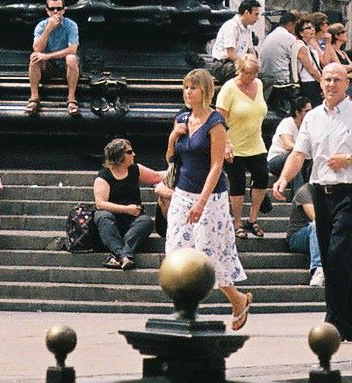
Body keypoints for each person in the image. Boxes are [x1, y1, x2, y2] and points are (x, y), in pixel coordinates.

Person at [271, 62, 352, 341]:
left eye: (337, 79)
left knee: (336, 255)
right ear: (320, 83)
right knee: (330, 256)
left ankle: (334, 319)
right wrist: (284, 179)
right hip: (320, 193)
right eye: (327, 80)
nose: (331, 84)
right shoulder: (311, 118)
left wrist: (349, 159)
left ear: (347, 84)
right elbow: (299, 153)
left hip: (350, 192)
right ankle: (347, 325)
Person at [166, 69, 252, 331]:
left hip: (210, 196)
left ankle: (238, 299)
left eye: (193, 88)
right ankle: (185, 308)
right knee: (177, 250)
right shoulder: (181, 118)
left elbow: (216, 166)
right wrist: (173, 137)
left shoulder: (215, 122)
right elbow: (171, 158)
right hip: (182, 192)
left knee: (209, 253)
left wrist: (201, 203)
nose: (188, 92)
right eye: (185, 88)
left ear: (205, 90)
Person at [217, 54, 271, 238]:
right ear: (239, 70)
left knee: (262, 178)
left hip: (256, 142)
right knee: (237, 183)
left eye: (253, 74)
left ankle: (253, 218)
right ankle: (237, 221)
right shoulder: (229, 88)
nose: (249, 77)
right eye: (246, 73)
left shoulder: (260, 85)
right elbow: (219, 119)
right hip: (235, 145)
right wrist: (225, 145)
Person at [92, 138, 164, 270]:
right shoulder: (103, 177)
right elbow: (100, 203)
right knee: (103, 216)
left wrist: (182, 171)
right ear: (119, 156)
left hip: (133, 220)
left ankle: (117, 256)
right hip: (113, 221)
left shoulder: (135, 170)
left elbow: (157, 176)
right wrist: (126, 209)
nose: (134, 154)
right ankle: (124, 255)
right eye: (129, 152)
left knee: (146, 221)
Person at [27, 0, 82, 116]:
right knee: (34, 58)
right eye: (52, 9)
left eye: (59, 9)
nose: (56, 12)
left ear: (64, 10)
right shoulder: (41, 26)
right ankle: (34, 98)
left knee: (71, 58)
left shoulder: (71, 25)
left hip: (65, 64)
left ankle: (71, 99)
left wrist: (47, 56)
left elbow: (72, 49)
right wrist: (48, 29)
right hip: (48, 66)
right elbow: (37, 48)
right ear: (47, 11)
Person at [258, 11, 319, 114]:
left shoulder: (272, 34)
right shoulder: (290, 38)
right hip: (282, 81)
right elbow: (302, 61)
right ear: (290, 25)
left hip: (266, 77)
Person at [284, 182, 323, 286]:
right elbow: (316, 217)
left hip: (325, 234)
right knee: (317, 225)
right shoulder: (305, 191)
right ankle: (318, 268)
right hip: (297, 237)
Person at [209, 0, 263, 70]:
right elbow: (231, 54)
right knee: (247, 74)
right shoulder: (231, 26)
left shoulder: (248, 29)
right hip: (223, 64)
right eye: (256, 14)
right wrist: (247, 66)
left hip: (239, 63)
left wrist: (255, 65)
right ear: (246, 12)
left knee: (263, 77)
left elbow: (251, 50)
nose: (257, 18)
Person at [268, 103, 307, 181]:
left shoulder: (307, 126)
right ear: (297, 112)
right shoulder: (287, 122)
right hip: (276, 160)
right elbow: (288, 145)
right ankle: (297, 192)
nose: (310, 113)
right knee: (296, 158)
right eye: (307, 111)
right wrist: (304, 149)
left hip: (295, 160)